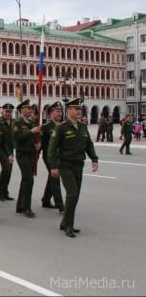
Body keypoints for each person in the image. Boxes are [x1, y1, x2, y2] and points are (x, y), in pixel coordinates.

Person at [48, 98, 99, 238]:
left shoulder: (82, 127)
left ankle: (65, 223)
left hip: (78, 165)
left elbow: (88, 144)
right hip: (65, 165)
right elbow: (52, 149)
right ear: (69, 110)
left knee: (75, 196)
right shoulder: (61, 127)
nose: (79, 111)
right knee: (72, 194)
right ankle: (68, 226)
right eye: (76, 109)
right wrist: (53, 167)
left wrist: (94, 159)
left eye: (80, 109)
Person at [14, 99, 41, 218]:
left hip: (31, 154)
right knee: (29, 179)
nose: (30, 110)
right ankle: (26, 207)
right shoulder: (17, 123)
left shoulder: (31, 123)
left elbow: (35, 137)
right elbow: (18, 137)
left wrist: (38, 144)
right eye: (27, 108)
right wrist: (31, 132)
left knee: (25, 180)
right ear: (21, 110)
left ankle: (20, 205)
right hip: (22, 154)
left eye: (30, 108)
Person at [40, 102, 64, 212]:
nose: (60, 113)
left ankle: (45, 200)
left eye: (60, 111)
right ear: (50, 113)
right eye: (57, 111)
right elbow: (40, 143)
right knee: (55, 177)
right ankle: (60, 205)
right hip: (49, 156)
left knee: (52, 177)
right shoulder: (46, 127)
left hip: (60, 156)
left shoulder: (62, 126)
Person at [0, 103, 15, 202]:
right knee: (6, 169)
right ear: (2, 111)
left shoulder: (13, 122)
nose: (8, 113)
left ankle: (5, 191)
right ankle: (0, 192)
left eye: (10, 112)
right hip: (1, 149)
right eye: (6, 111)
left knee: (9, 171)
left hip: (10, 149)